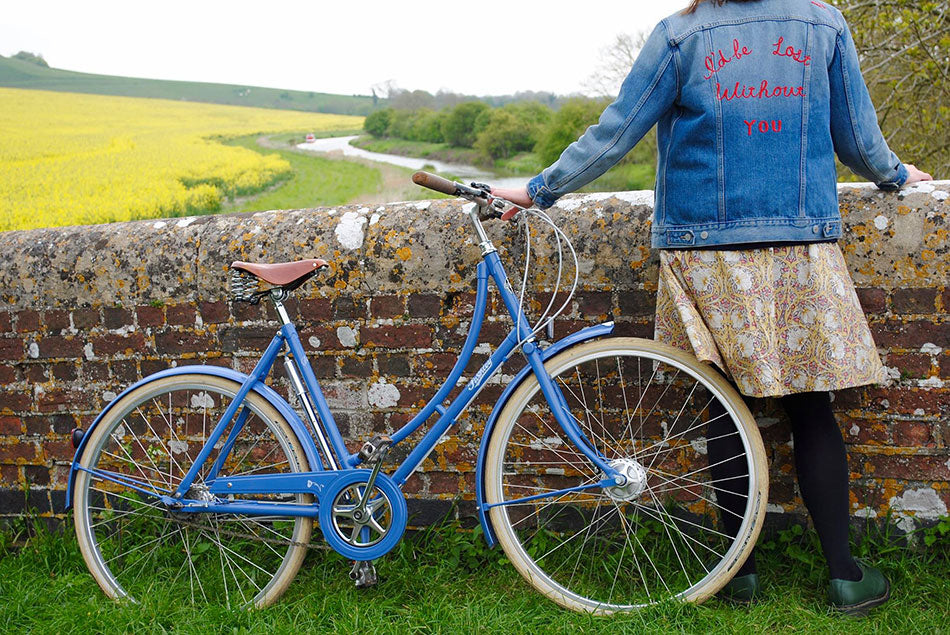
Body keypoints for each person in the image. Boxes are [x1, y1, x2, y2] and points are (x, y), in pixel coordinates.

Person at [493, 0, 933, 616]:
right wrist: (894, 176)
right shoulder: (822, 24)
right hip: (798, 246)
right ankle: (843, 574)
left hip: (704, 250)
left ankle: (738, 574)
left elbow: (617, 131)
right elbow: (857, 137)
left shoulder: (680, 35)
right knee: (811, 411)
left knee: (723, 410)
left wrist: (540, 188)